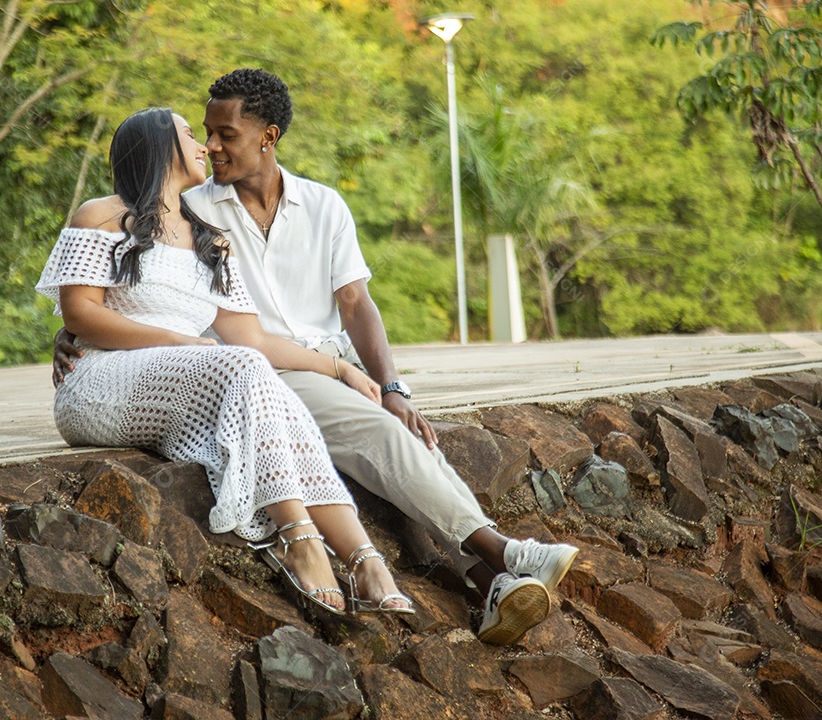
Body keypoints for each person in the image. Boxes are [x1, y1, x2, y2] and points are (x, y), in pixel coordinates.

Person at [54, 70, 577, 645]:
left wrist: (389, 384)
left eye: (225, 133)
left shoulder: (306, 209)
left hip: (292, 363)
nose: (211, 146)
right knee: (380, 437)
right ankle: (495, 552)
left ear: (268, 136)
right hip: (244, 368)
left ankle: (489, 580)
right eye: (202, 134)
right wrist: (94, 332)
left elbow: (355, 303)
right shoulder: (190, 205)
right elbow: (111, 294)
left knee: (398, 435)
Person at [36, 106, 414, 619]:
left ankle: (363, 557)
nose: (205, 145)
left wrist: (341, 368)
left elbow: (253, 340)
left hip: (181, 384)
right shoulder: (100, 215)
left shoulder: (211, 238)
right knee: (236, 366)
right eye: (191, 134)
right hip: (100, 384)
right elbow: (81, 314)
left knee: (275, 395)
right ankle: (299, 539)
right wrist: (177, 341)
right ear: (156, 146)